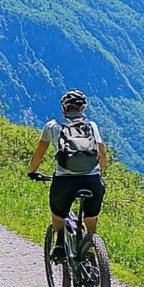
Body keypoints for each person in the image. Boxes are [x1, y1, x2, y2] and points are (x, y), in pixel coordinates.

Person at [26, 89, 109, 261]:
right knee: (91, 217)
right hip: (92, 179)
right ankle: (90, 246)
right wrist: (99, 174)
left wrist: (32, 171)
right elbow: (102, 153)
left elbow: (39, 154)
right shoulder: (92, 126)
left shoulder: (52, 126)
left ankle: (59, 244)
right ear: (82, 108)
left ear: (64, 108)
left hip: (65, 180)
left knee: (58, 214)